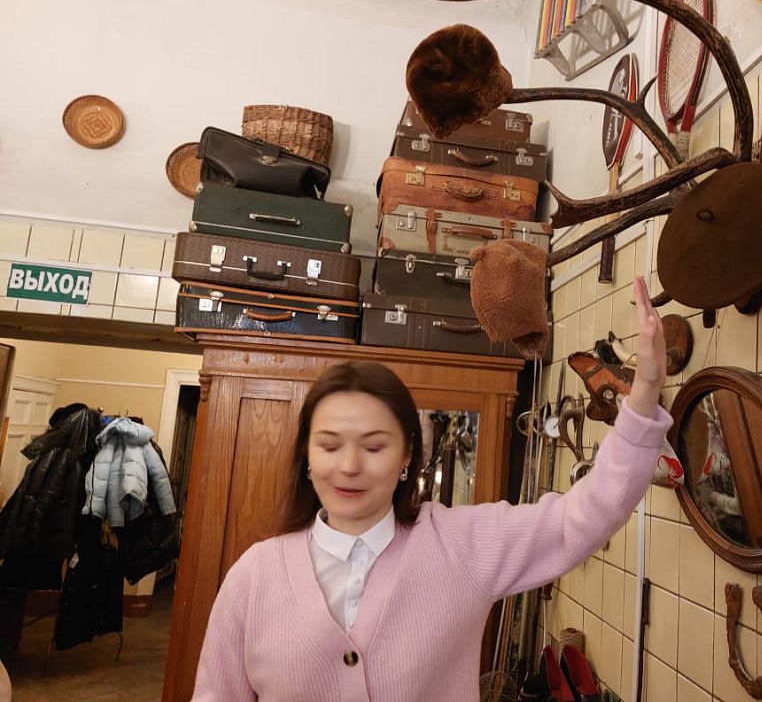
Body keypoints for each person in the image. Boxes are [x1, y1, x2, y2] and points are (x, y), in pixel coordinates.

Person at [192, 277, 672, 701]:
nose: (350, 466)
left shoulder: (460, 545)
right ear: (307, 456)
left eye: (374, 446)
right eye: (330, 445)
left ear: (407, 456)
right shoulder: (255, 577)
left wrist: (645, 391)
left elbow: (580, 518)